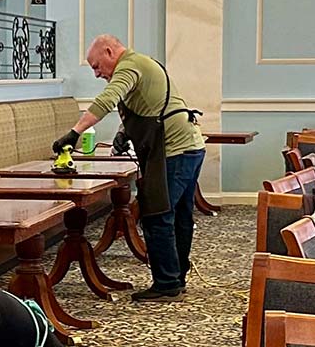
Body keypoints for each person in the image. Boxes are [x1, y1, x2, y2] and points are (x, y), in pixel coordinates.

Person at [53, 35, 206, 301]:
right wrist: (124, 133)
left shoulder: (128, 67)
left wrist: (74, 133)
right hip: (190, 147)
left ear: (110, 51)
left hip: (174, 151)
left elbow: (107, 100)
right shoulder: (142, 64)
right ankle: (175, 276)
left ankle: (167, 283)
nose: (97, 73)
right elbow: (149, 106)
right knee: (179, 215)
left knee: (157, 215)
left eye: (97, 66)